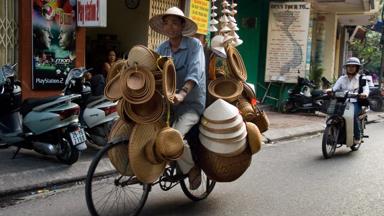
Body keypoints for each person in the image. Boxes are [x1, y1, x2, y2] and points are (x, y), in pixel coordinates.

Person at [149, 7, 206, 190]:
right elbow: (156, 73)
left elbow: (195, 72)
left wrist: (182, 93)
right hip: (169, 105)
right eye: (167, 23)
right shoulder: (162, 48)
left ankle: (192, 169)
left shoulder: (194, 45)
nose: (170, 26)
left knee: (172, 138)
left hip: (190, 104)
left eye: (175, 22)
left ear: (182, 25)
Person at [330, 57, 369, 145]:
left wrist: (364, 94)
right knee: (333, 114)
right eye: (349, 66)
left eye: (353, 66)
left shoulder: (362, 79)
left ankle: (357, 136)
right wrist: (329, 91)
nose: (351, 68)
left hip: (356, 102)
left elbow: (366, 90)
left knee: (352, 115)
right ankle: (332, 134)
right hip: (342, 102)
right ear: (346, 68)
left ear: (357, 68)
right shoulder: (342, 78)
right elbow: (334, 88)